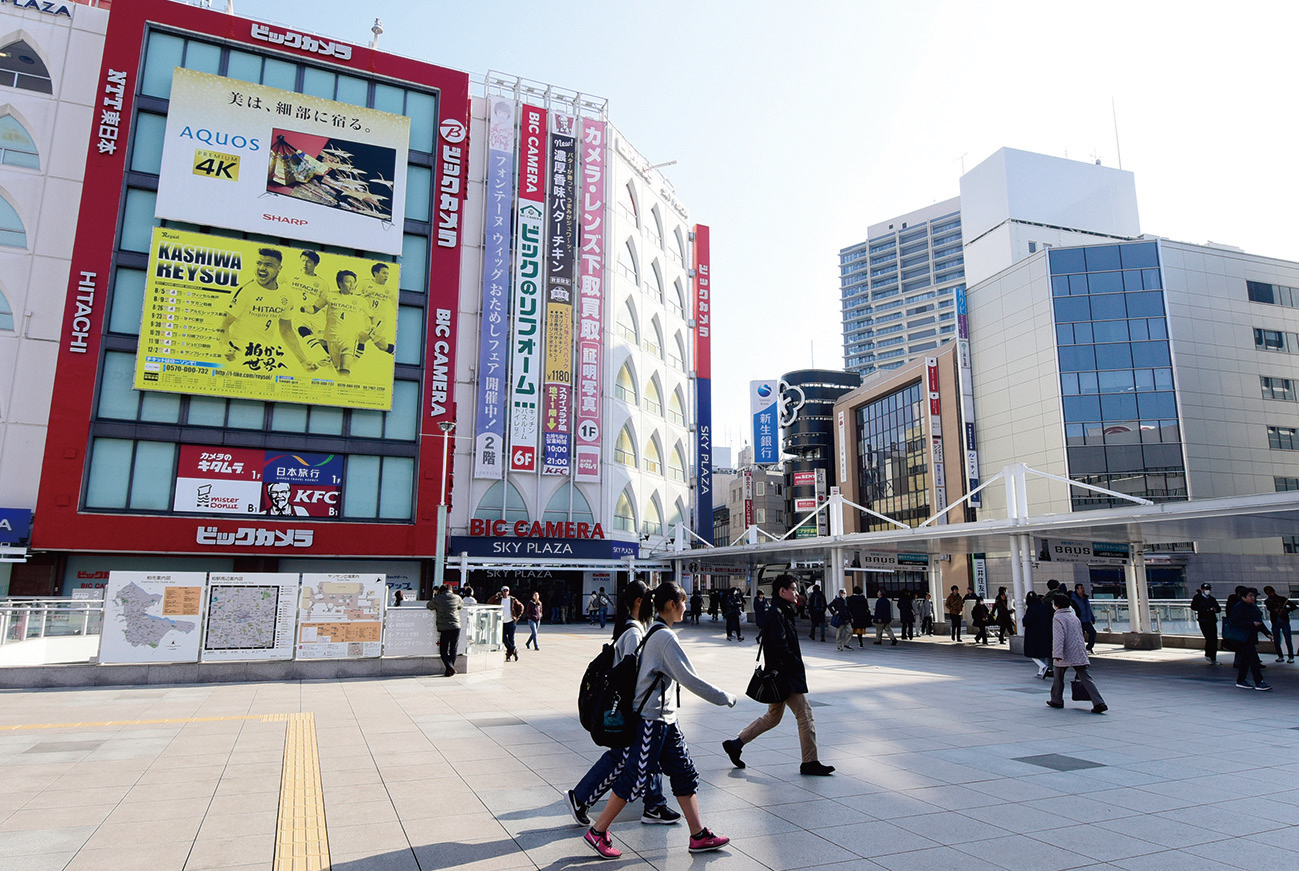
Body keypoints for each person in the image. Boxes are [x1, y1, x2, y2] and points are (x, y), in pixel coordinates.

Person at [581, 582, 736, 860]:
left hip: (667, 720)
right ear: (672, 605)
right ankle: (598, 831)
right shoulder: (664, 638)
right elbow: (689, 678)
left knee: (684, 772)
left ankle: (698, 835)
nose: (686, 608)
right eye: (684, 602)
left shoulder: (654, 631)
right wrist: (725, 697)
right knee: (636, 777)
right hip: (651, 721)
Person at [567, 581, 681, 831]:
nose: (653, 604)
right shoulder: (633, 634)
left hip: (634, 708)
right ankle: (582, 798)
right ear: (639, 602)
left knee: (643, 755)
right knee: (625, 758)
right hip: (631, 708)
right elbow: (632, 675)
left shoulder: (633, 629)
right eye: (649, 599)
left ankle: (653, 803)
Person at [722, 574, 834, 777]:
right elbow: (780, 645)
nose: (796, 592)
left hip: (781, 674)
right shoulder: (777, 613)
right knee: (805, 715)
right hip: (785, 675)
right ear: (783, 591)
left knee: (772, 718)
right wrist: (795, 664)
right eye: (793, 588)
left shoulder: (782, 610)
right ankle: (810, 762)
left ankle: (735, 744)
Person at [220, 247, 317, 372]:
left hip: (262, 358)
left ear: (279, 269)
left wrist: (303, 360)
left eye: (268, 265)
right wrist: (225, 347)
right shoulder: (246, 290)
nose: (262, 268)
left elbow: (286, 331)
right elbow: (223, 324)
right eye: (259, 263)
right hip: (236, 355)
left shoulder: (286, 294)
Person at [1046, 592, 1107, 713]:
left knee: (1058, 677)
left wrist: (1057, 653)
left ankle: (1056, 700)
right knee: (1085, 676)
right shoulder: (1073, 616)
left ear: (1057, 605)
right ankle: (1099, 702)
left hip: (1065, 651)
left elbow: (1059, 637)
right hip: (1077, 650)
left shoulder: (1058, 617)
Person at [1229, 587, 1273, 691]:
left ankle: (1241, 680)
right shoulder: (1238, 607)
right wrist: (1251, 624)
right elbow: (1234, 621)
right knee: (1253, 660)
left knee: (1245, 659)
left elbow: (1259, 622)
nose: (1253, 598)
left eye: (1254, 596)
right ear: (1243, 597)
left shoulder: (1253, 607)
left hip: (1250, 637)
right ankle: (1259, 681)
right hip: (1243, 637)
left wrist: (1267, 634)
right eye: (1251, 596)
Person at [488, 585, 524, 662]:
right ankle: (513, 649)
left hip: (511, 621)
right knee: (503, 638)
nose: (505, 592)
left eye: (506, 591)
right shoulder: (498, 599)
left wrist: (518, 616)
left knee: (511, 639)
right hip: (501, 622)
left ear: (509, 592)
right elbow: (489, 602)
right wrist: (495, 596)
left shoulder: (512, 599)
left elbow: (521, 606)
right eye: (504, 591)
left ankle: (509, 655)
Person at [432, 584, 461, 677]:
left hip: (444, 627)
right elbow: (461, 606)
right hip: (456, 626)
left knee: (443, 650)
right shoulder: (457, 597)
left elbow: (429, 605)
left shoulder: (438, 598)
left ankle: (450, 668)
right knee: (453, 648)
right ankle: (449, 669)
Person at [1023, 591, 1053, 678]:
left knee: (1031, 652)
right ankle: (1041, 671)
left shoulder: (1031, 608)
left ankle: (1043, 666)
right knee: (1042, 652)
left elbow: (1027, 620)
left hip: (1033, 633)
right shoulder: (1043, 607)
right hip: (1044, 632)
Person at [1262, 585, 1295, 663]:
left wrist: (1286, 610)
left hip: (1284, 621)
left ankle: (1291, 656)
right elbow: (1270, 608)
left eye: (1270, 592)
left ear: (1273, 591)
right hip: (1275, 622)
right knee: (1276, 640)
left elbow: (1293, 606)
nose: (1269, 594)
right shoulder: (1267, 601)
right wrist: (1275, 610)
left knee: (1288, 639)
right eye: (1267, 593)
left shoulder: (1282, 599)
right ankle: (1280, 656)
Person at [1190, 582, 1221, 664]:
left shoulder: (1212, 599)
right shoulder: (1198, 598)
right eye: (1205, 589)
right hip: (1203, 620)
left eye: (1208, 589)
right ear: (1202, 590)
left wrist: (1214, 609)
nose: (1207, 591)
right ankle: (1208, 655)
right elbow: (1193, 607)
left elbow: (1218, 609)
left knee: (1214, 639)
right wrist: (1205, 609)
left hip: (1212, 620)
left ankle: (1213, 657)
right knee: (1209, 638)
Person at [1071, 584, 1097, 651]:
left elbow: (1089, 609)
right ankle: (1080, 649)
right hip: (1078, 620)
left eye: (1083, 588)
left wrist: (1092, 618)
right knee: (1080, 636)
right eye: (1081, 588)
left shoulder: (1085, 598)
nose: (1083, 590)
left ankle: (1089, 647)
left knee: (1093, 633)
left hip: (1087, 620)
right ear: (1077, 590)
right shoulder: (1073, 599)